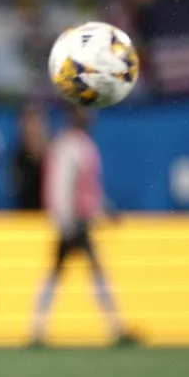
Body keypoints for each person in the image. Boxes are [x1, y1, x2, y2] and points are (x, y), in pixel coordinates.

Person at [29, 106, 136, 347]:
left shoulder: (81, 144)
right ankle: (115, 327)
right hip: (74, 222)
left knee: (63, 274)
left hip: (81, 220)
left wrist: (105, 210)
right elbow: (61, 186)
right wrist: (64, 220)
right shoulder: (68, 146)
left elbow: (90, 189)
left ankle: (38, 329)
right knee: (73, 273)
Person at [11, 104, 49, 211]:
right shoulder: (20, 158)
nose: (34, 129)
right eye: (30, 125)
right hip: (27, 218)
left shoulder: (52, 157)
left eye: (37, 125)